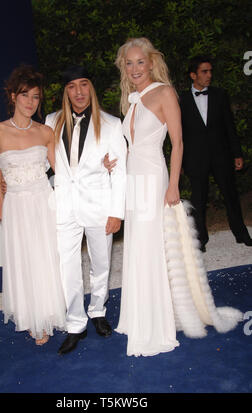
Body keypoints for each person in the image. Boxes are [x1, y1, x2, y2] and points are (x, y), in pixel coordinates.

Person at [107, 37, 242, 357]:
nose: (135, 68)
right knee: (137, 246)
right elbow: (129, 144)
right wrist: (111, 162)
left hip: (155, 178)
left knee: (154, 246)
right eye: (129, 63)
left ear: (152, 63)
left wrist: (173, 186)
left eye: (141, 62)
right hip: (133, 179)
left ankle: (157, 321)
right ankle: (138, 314)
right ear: (124, 68)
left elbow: (178, 143)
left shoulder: (165, 93)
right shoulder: (131, 98)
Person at [45, 65, 127, 355]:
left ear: (91, 87)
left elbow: (119, 172)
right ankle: (75, 323)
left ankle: (97, 310)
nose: (78, 92)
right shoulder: (51, 121)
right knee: (67, 266)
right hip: (65, 207)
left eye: (83, 85)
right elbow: (46, 164)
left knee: (101, 263)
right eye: (71, 87)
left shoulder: (112, 124)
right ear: (65, 91)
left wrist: (117, 211)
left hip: (100, 206)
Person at [0, 65, 66, 346]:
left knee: (46, 257)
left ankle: (49, 312)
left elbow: (61, 170)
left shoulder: (46, 132)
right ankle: (33, 319)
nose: (31, 102)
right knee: (24, 260)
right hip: (16, 205)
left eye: (36, 97)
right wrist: (0, 202)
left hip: (44, 201)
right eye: (25, 96)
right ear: (12, 96)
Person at [179, 55, 252, 252]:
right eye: (204, 71)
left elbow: (230, 127)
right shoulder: (182, 99)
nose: (209, 75)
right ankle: (200, 239)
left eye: (210, 71)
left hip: (222, 155)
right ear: (193, 75)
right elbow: (179, 134)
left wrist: (237, 154)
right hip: (196, 158)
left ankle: (241, 233)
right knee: (198, 200)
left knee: (231, 196)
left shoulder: (220, 95)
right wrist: (183, 162)